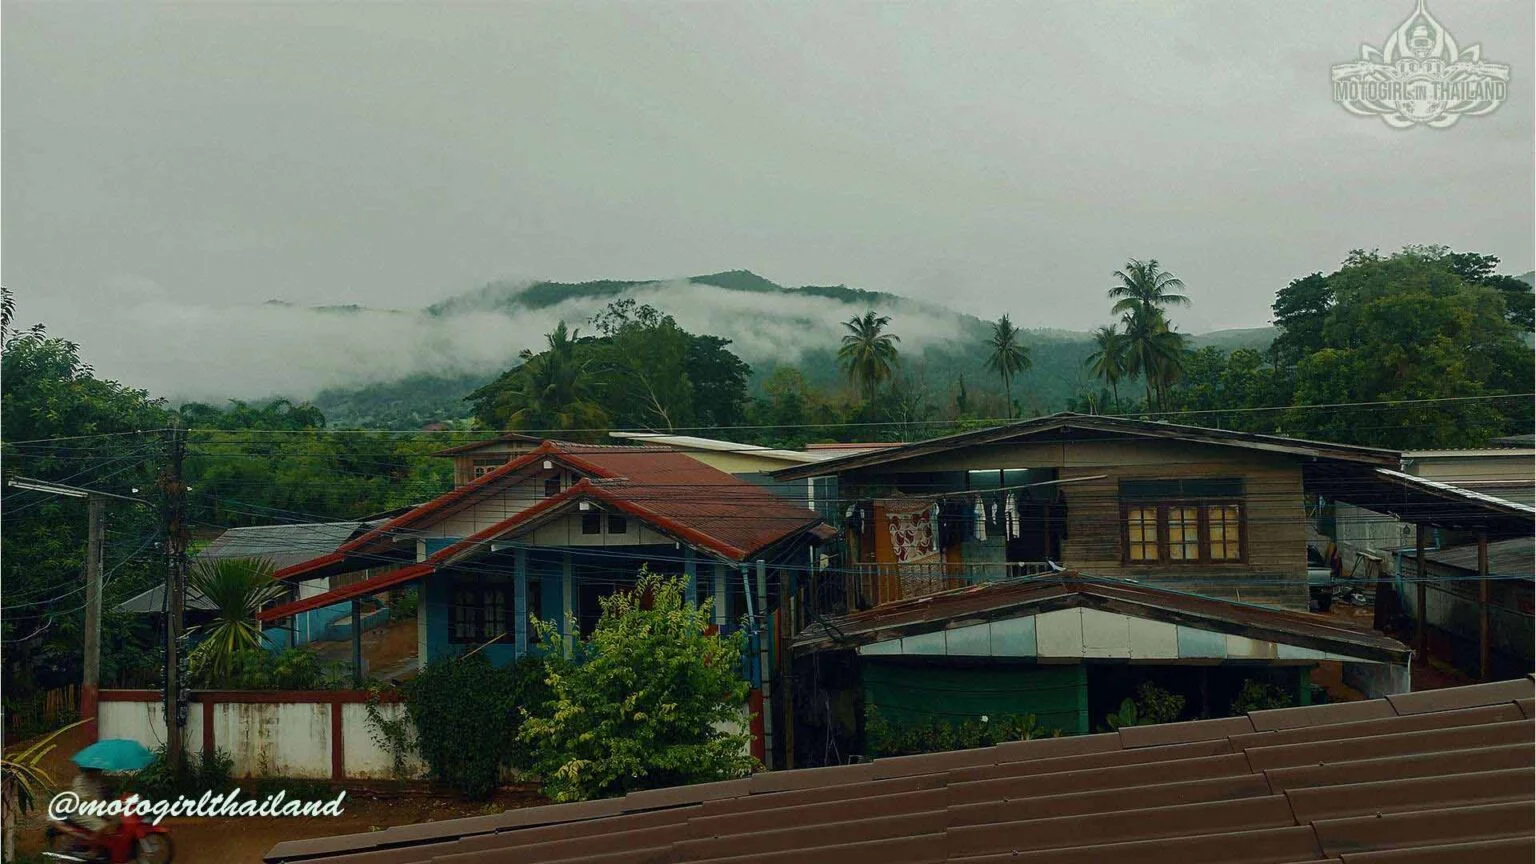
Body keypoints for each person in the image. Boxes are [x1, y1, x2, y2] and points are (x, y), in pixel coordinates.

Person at [65, 766, 119, 854]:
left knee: (118, 817)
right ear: (89, 770)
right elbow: (81, 795)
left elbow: (100, 798)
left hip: (95, 809)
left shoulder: (96, 781)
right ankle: (93, 851)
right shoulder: (79, 780)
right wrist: (91, 799)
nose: (99, 773)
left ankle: (108, 844)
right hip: (80, 812)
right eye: (97, 771)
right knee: (101, 826)